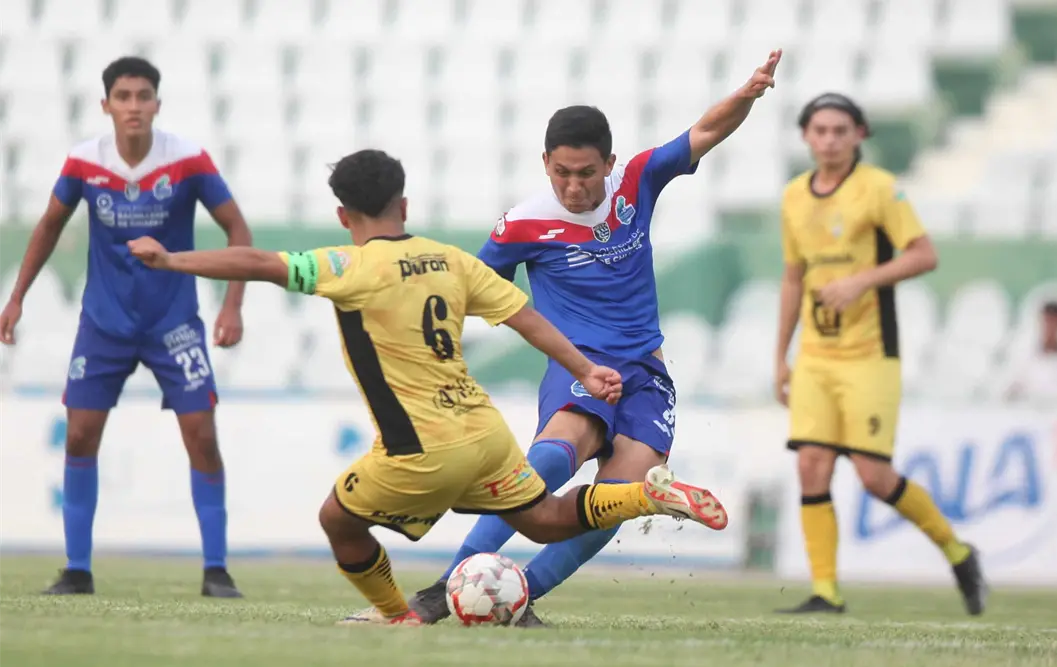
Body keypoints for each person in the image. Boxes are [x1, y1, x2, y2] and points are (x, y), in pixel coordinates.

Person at [126, 148, 729, 626]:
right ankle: (641, 497)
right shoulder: (451, 261)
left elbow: (258, 263)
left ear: (343, 216)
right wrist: (586, 369)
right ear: (405, 204)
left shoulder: (346, 265)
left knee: (338, 519)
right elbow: (526, 316)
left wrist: (173, 260)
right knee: (544, 518)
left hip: (419, 446)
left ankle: (397, 616)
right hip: (484, 431)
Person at [407, 49, 783, 626]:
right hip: (580, 365)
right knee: (554, 459)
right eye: (562, 173)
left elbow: (706, 130)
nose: (575, 186)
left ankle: (520, 596)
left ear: (609, 163)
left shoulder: (637, 182)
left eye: (587, 173)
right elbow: (477, 292)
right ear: (545, 164)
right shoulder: (523, 224)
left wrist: (748, 95)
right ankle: (443, 587)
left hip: (648, 375)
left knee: (617, 501)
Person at [0, 57, 251, 597]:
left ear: (157, 104)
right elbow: (49, 226)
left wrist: (233, 306)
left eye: (143, 96)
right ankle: (77, 570)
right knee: (81, 436)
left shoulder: (186, 160)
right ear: (106, 105)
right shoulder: (83, 163)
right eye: (123, 96)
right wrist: (16, 297)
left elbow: (237, 227)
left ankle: (216, 570)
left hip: (174, 322)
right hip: (104, 324)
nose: (133, 106)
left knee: (202, 437)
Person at [773, 92, 986, 615]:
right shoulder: (794, 196)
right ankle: (826, 590)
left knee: (874, 477)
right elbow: (793, 278)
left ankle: (958, 553)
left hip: (870, 354)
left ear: (859, 135)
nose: (828, 139)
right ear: (806, 136)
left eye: (839, 130)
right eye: (819, 130)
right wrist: (780, 356)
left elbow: (925, 255)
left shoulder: (881, 190)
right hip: (817, 357)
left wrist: (861, 281)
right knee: (812, 467)